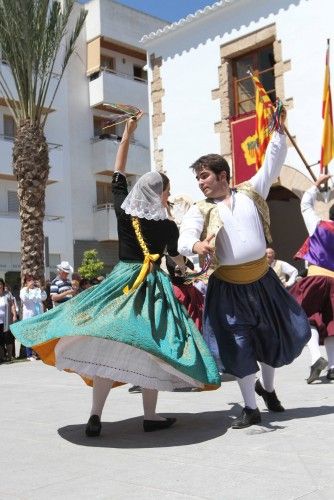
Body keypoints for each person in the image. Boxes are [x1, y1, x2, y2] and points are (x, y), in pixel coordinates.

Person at [11, 114, 220, 437]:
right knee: (154, 350)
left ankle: (95, 415)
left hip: (120, 283)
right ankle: (150, 416)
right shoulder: (167, 225)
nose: (168, 196)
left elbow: (118, 172)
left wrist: (127, 135)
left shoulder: (124, 212)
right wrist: (195, 260)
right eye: (167, 191)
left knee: (107, 349)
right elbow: (176, 259)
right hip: (150, 290)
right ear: (160, 193)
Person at [178, 107, 311, 429]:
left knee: (272, 336)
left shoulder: (252, 192)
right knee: (238, 344)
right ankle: (251, 408)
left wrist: (278, 132)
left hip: (263, 281)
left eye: (204, 176)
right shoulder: (199, 209)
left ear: (223, 175)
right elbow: (185, 238)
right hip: (228, 287)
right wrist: (196, 246)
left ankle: (267, 388)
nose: (201, 183)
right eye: (197, 178)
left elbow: (272, 162)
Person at [290, 174, 334, 383]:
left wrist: (315, 186)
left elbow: (305, 204)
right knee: (331, 323)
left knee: (305, 318)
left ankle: (316, 358)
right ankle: (333, 367)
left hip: (316, 277)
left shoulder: (320, 224)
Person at [20, 276, 47, 360]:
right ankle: (29, 354)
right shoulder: (23, 290)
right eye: (29, 280)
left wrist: (41, 288)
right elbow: (24, 298)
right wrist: (28, 288)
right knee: (29, 335)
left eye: (32, 280)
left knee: (38, 335)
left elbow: (44, 297)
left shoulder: (38, 290)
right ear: (25, 282)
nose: (31, 281)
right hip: (29, 316)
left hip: (38, 315)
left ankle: (38, 353)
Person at [0, 278, 17, 362]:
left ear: (3, 285)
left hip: (7, 320)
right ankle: (2, 357)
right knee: (0, 340)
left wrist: (14, 315)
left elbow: (12, 305)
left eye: (0, 284)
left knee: (8, 339)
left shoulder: (8, 294)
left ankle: (10, 356)